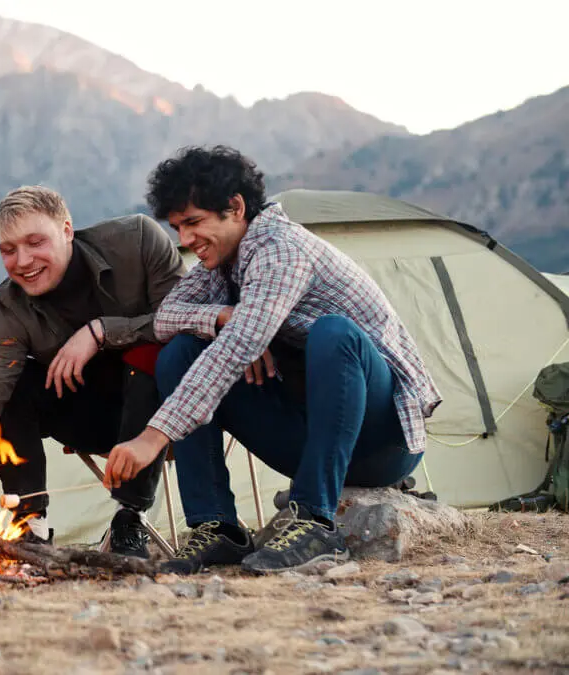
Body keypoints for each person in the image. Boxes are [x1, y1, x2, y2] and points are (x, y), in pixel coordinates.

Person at [103, 145, 442, 574]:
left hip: (382, 439)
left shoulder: (281, 248)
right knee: (181, 352)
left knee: (334, 335)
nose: (185, 241)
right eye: (176, 228)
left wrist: (151, 438)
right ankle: (217, 526)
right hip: (307, 435)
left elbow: (236, 350)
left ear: (236, 208)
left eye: (193, 223)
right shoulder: (220, 265)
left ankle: (316, 520)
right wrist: (225, 315)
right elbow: (167, 318)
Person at [0, 185, 187, 557]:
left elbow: (186, 320)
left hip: (169, 414)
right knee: (10, 381)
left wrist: (101, 332)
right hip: (89, 419)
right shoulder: (11, 309)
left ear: (67, 230)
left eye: (35, 242)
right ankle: (30, 524)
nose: (22, 261)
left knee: (153, 350)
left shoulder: (137, 241)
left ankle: (129, 518)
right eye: (9, 250)